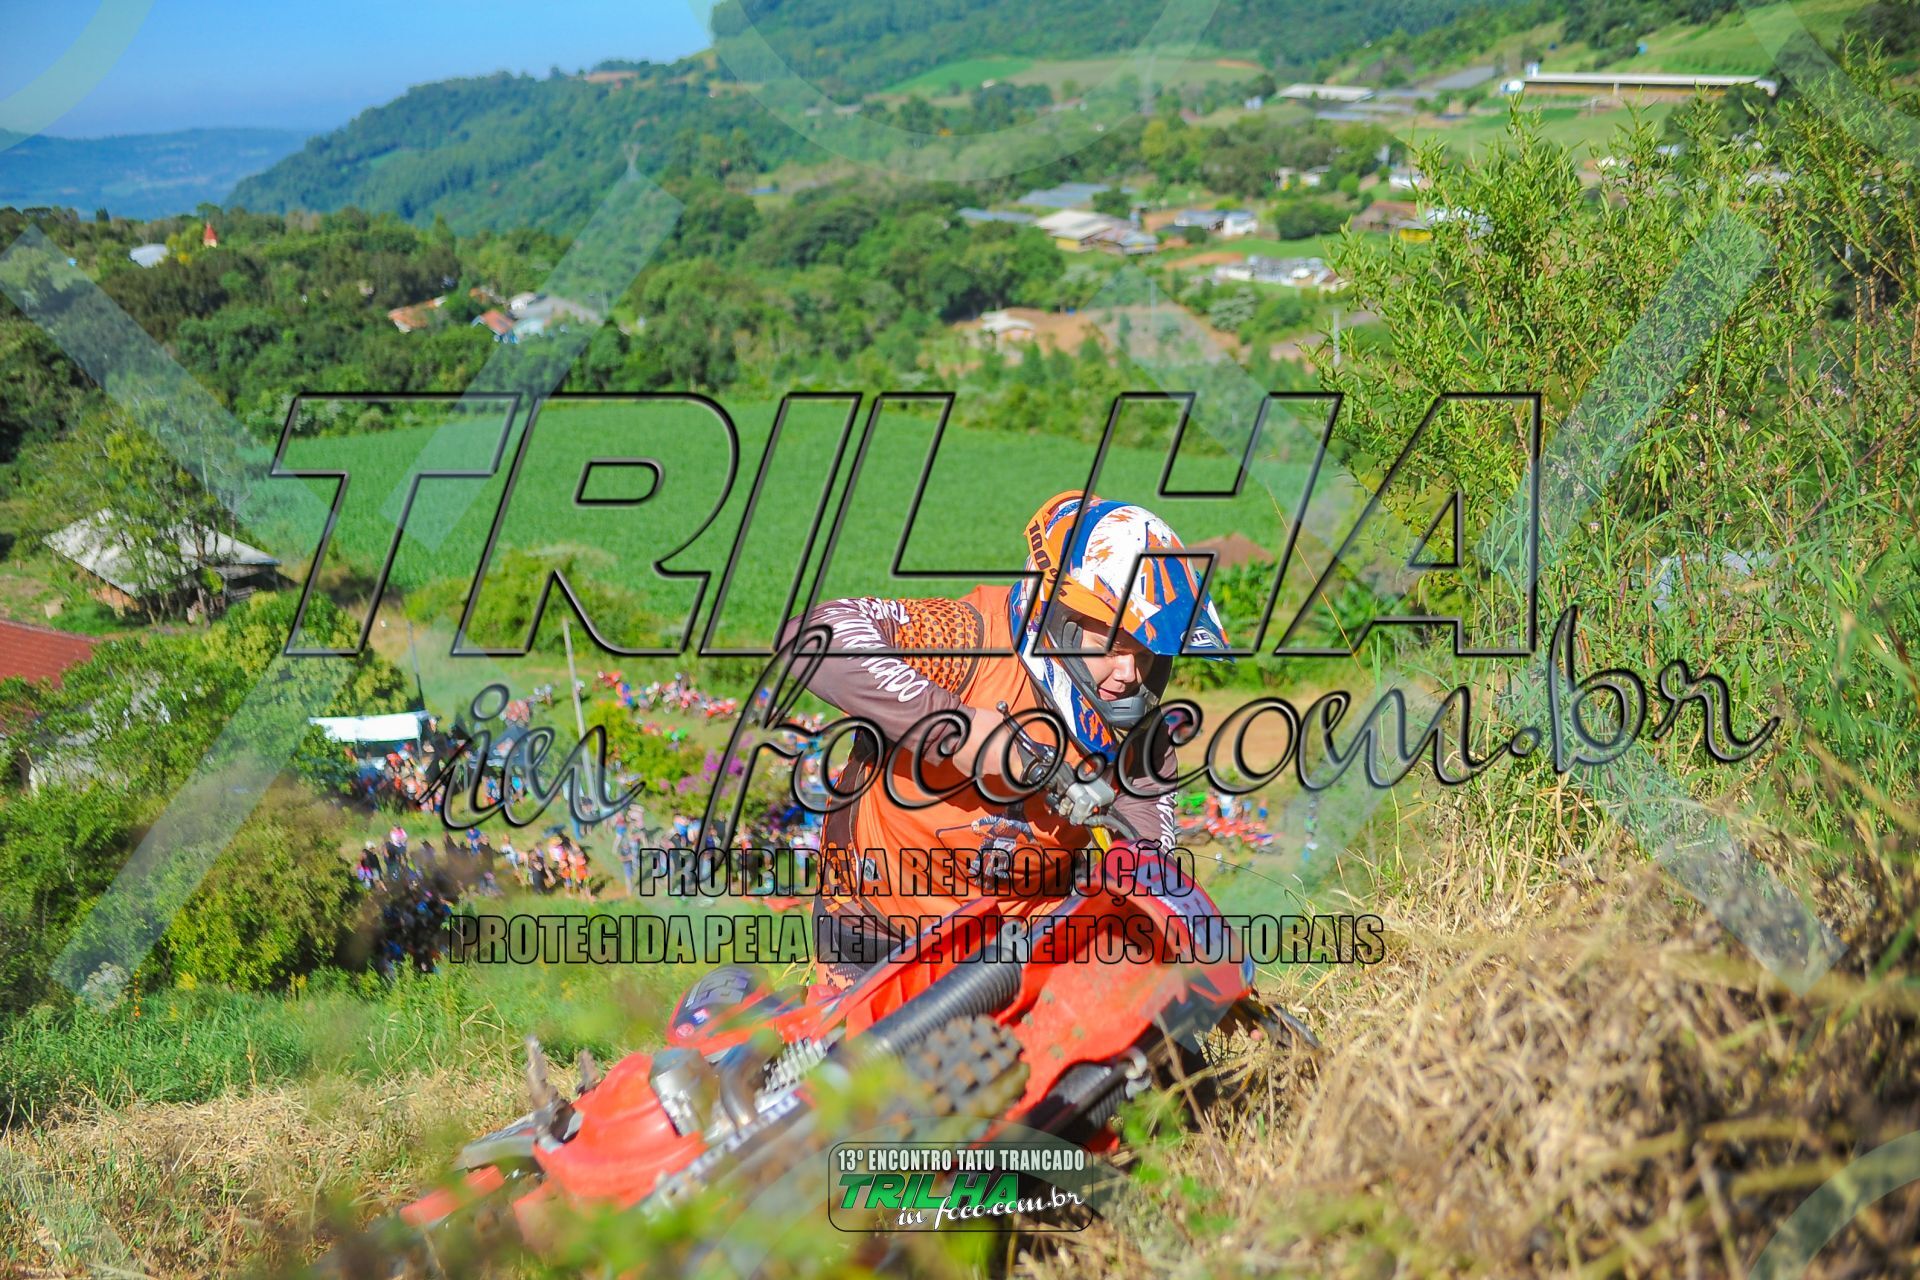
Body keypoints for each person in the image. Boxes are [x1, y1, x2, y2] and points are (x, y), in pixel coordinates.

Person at [774, 490, 1229, 990]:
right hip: (874, 927)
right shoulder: (971, 637)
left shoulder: (1141, 740)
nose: (1129, 674)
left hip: (1011, 955)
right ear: (1057, 615)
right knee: (850, 1044)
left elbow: (1148, 875)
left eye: (1146, 656)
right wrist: (960, 731)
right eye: (1115, 646)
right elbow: (813, 636)